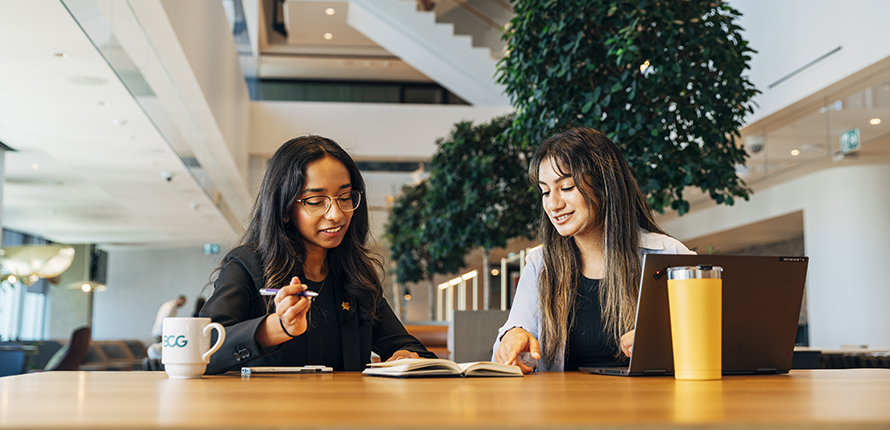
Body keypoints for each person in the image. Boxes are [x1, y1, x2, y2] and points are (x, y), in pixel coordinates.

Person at [201, 135, 435, 374]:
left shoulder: (354, 274)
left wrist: (404, 356)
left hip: (349, 410)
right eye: (315, 201)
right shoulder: (247, 266)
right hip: (271, 411)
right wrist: (277, 327)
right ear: (284, 209)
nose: (336, 214)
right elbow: (203, 348)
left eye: (345, 197)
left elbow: (407, 346)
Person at [492, 128, 694, 373]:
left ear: (604, 185)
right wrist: (512, 339)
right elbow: (514, 342)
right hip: (563, 407)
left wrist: (666, 341)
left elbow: (712, 338)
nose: (553, 204)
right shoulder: (540, 264)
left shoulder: (668, 256)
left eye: (566, 187)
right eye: (545, 191)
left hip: (650, 406)